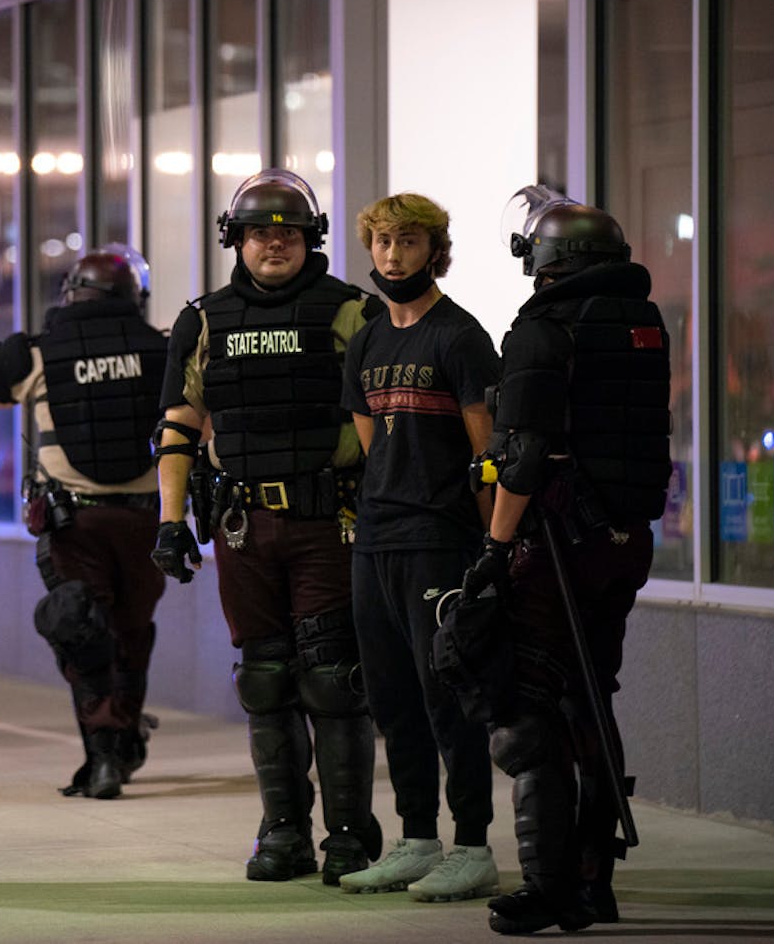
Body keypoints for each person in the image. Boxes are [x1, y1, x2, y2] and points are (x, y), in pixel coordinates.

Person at [150, 168, 382, 885]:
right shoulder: (205, 319)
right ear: (236, 240)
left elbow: (384, 422)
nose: (273, 243)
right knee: (265, 677)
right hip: (243, 525)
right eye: (259, 232)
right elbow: (179, 424)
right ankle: (283, 830)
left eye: (287, 232)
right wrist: (168, 522)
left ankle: (347, 834)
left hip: (329, 519)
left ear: (311, 238)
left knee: (333, 680)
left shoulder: (351, 311)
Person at [463, 186, 671, 934]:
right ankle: (593, 879)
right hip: (623, 544)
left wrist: (493, 548)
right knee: (590, 696)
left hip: (555, 545)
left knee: (529, 708)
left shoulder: (544, 329)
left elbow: (522, 457)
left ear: (541, 260)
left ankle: (551, 889)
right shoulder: (643, 323)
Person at [336, 193, 502, 901]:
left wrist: (495, 548)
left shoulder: (460, 335)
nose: (392, 256)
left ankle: (472, 846)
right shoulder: (371, 339)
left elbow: (487, 453)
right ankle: (416, 838)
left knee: (448, 700)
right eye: (382, 244)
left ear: (435, 251)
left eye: (407, 243)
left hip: (442, 541)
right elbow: (370, 438)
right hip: (376, 542)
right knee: (392, 700)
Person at [0, 246, 168, 800]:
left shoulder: (32, 353)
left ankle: (103, 754)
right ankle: (122, 745)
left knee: (82, 631)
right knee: (132, 636)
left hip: (74, 523)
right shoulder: (163, 349)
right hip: (146, 521)